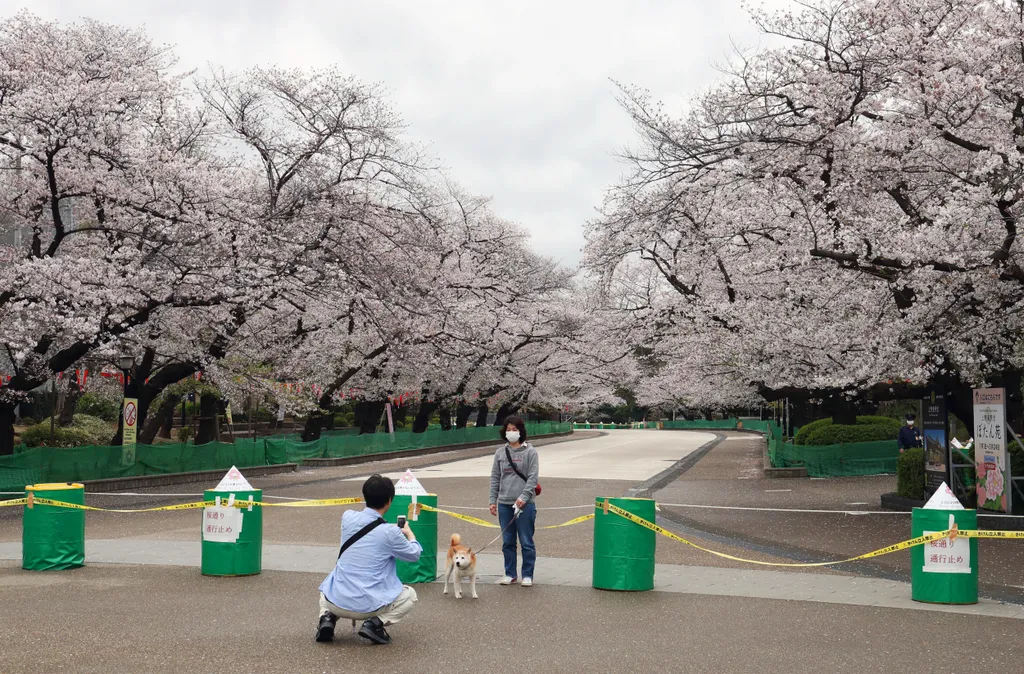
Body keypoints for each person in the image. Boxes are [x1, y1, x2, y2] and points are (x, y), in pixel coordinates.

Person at [316, 474, 421, 645]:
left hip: (336, 602)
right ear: (389, 501)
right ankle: (374, 624)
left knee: (329, 583)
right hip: (369, 608)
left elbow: (370, 531)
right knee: (410, 596)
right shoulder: (390, 532)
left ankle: (327, 618)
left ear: (365, 496)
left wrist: (388, 530)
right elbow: (414, 554)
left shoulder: (347, 517)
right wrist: (410, 534)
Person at [488, 415, 540, 587]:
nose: (511, 433)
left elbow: (533, 478)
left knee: (526, 541)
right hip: (504, 503)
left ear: (521, 431)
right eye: (508, 430)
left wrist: (523, 498)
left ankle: (527, 574)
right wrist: (492, 500)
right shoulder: (500, 452)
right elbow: (495, 477)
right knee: (507, 542)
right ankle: (510, 573)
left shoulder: (530, 452)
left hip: (525, 504)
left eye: (515, 429)